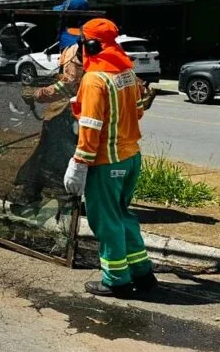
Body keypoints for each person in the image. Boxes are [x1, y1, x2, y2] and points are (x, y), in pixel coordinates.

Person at [63, 18, 157, 298]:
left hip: (107, 162)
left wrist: (79, 164)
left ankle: (116, 280)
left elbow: (90, 127)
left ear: (90, 45)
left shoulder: (94, 80)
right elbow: (138, 110)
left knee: (105, 221)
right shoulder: (127, 72)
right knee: (123, 215)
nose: (77, 49)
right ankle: (142, 272)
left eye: (80, 43)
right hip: (130, 158)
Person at [16, 28, 84, 202]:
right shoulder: (104, 50)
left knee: (49, 154)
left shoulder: (76, 50)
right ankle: (36, 192)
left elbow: (68, 85)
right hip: (85, 114)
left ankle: (37, 194)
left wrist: (37, 94)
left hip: (68, 114)